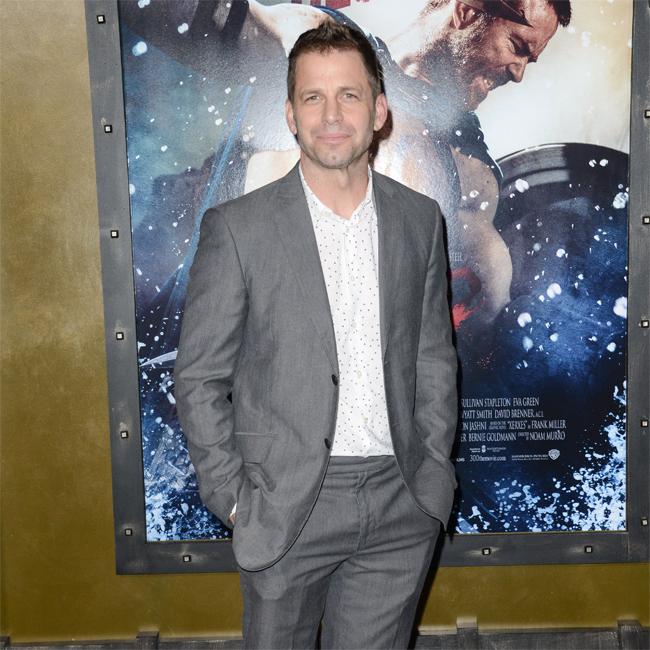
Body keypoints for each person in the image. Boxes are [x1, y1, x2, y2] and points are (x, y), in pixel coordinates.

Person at [175, 20, 458, 650]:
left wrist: (432, 472)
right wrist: (235, 499)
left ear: (379, 111)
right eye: (313, 97)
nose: (332, 115)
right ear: (291, 114)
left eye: (349, 95)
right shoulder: (238, 228)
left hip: (401, 500)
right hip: (285, 506)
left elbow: (433, 357)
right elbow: (198, 378)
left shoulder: (420, 219)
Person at [123, 0, 571, 328]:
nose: (519, 73)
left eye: (530, 60)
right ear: (467, 13)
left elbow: (486, 301)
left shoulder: (472, 169)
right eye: (517, 46)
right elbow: (205, 17)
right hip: (188, 338)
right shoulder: (323, 38)